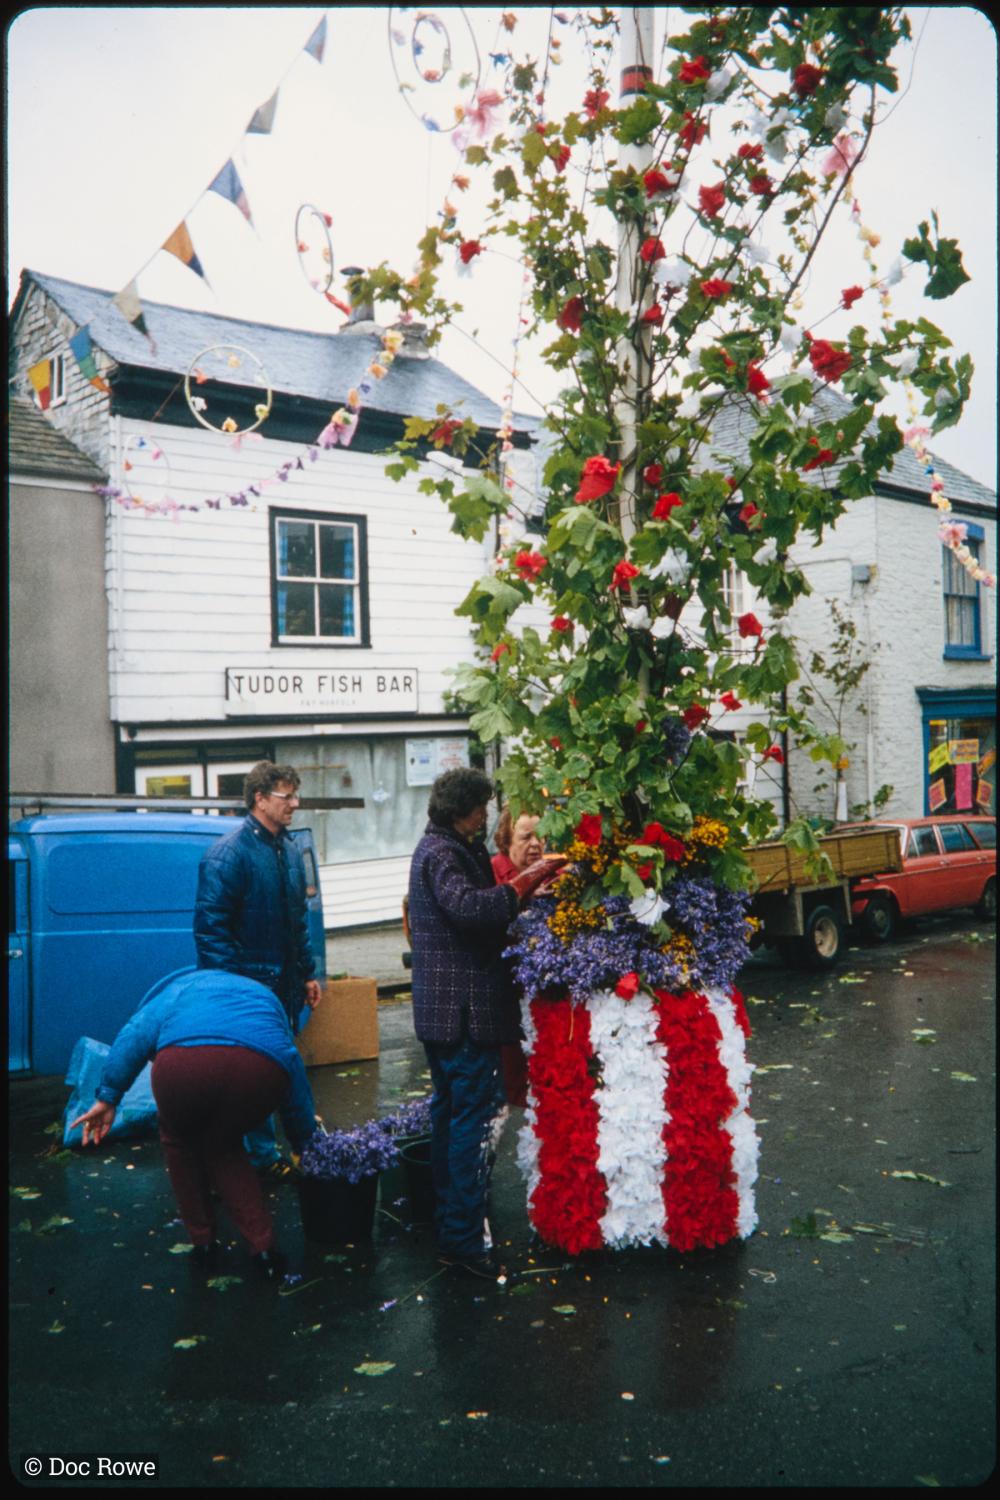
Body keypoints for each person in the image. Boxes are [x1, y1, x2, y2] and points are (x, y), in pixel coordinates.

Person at [408, 768, 563, 1280]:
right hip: (463, 1017)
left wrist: (523, 899)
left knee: (451, 1120)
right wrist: (528, 881)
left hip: (448, 1015)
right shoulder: (442, 852)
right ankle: (464, 1243)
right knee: (472, 1126)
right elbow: (471, 909)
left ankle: (453, 1225)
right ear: (461, 809)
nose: (485, 815)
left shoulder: (450, 846)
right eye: (480, 807)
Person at [69, 967, 320, 1282]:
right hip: (260, 1070)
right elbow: (289, 1061)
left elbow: (135, 1033)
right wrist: (304, 1144)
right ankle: (265, 1250)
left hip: (182, 1066)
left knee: (178, 1141)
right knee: (224, 1147)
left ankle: (203, 1246)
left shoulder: (183, 986)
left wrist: (108, 1097)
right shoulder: (264, 996)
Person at [194, 760, 322, 1179]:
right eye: (286, 796)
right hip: (248, 987)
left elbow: (296, 919)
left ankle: (282, 1151)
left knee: (275, 1066)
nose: (295, 804)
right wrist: (231, 992)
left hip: (282, 983)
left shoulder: (287, 849)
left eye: (295, 795)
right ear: (259, 799)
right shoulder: (227, 856)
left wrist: (307, 973)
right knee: (256, 1072)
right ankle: (262, 1156)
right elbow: (211, 933)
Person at [491, 808, 548, 1108]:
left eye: (540, 836)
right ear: (506, 841)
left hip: (541, 994)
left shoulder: (552, 871)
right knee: (513, 1080)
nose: (536, 844)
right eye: (526, 837)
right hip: (507, 994)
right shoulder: (493, 875)